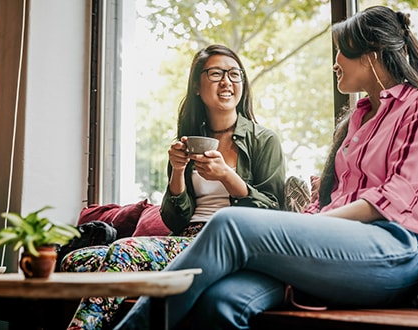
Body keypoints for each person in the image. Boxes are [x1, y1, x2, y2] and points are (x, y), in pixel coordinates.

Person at [113, 5, 418, 330]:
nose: (335, 63)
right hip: (335, 251)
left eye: (341, 51)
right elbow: (326, 199)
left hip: (394, 252)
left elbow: (398, 195)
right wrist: (303, 226)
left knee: (230, 223)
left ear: (371, 55)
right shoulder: (357, 121)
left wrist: (309, 227)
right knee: (220, 302)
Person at [63, 44, 286, 329]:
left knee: (123, 252)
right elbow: (174, 219)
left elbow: (274, 208)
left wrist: (227, 176)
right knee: (76, 261)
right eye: (216, 73)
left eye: (234, 74)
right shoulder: (189, 140)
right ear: (196, 85)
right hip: (184, 239)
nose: (227, 81)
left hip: (224, 242)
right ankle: (146, 273)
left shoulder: (263, 140)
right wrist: (178, 171)